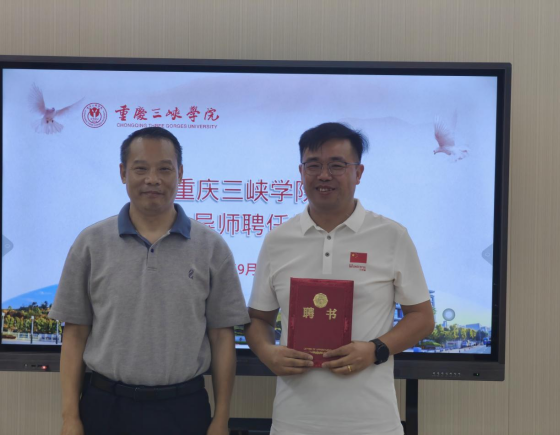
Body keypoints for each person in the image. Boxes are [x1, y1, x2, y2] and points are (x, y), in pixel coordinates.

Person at [49, 127, 250, 435]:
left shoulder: (211, 247)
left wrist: (221, 418)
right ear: (123, 173)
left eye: (164, 169)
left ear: (180, 173)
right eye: (141, 169)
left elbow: (222, 338)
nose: (153, 179)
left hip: (184, 409)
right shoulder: (90, 243)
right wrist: (69, 417)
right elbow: (75, 334)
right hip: (105, 407)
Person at [245, 122, 435, 435]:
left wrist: (375, 349)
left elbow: (422, 318)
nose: (324, 175)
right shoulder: (277, 240)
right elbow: (259, 319)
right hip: (294, 422)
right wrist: (267, 353)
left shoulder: (391, 236)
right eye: (313, 165)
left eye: (337, 165)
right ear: (301, 171)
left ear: (358, 173)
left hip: (373, 423)